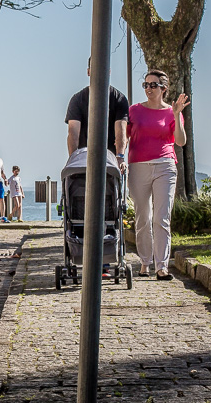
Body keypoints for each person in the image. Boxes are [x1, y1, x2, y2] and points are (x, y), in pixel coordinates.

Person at [127, 70, 188, 280]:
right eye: (145, 85)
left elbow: (180, 141)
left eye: (153, 85)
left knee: (162, 218)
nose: (148, 89)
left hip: (165, 165)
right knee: (143, 216)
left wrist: (178, 115)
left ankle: (162, 266)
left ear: (163, 88)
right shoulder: (133, 111)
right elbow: (124, 138)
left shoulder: (172, 111)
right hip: (138, 166)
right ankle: (145, 262)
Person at [65, 58, 129, 164]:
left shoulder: (118, 98)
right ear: (88, 72)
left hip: (110, 159)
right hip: (83, 157)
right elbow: (73, 132)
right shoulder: (78, 99)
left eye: (102, 68)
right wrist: (73, 159)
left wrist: (120, 157)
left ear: (109, 71)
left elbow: (121, 130)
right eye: (95, 68)